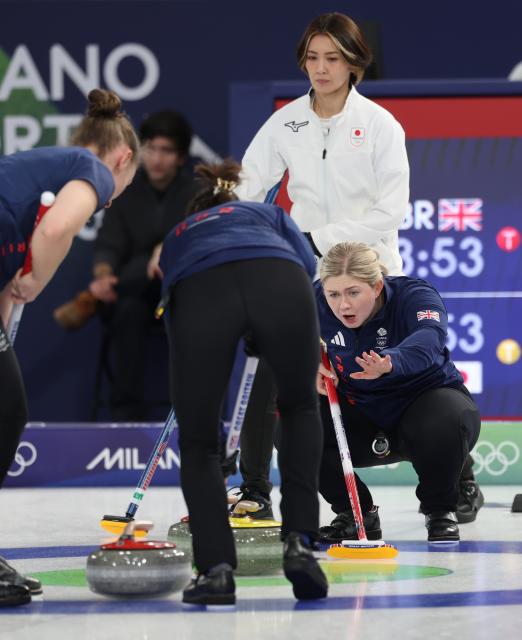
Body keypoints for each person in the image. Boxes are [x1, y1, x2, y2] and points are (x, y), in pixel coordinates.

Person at [231, 11, 410, 519]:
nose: (321, 68)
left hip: (371, 270)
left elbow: (389, 211)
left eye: (332, 58)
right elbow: (248, 182)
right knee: (274, 368)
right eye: (312, 57)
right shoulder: (286, 121)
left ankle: (454, 474)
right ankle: (255, 491)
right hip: (306, 271)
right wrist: (227, 224)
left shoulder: (379, 125)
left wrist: (317, 239)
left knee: (401, 378)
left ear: (355, 63)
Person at [157, 160, 328, 605]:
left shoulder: (179, 234)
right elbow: (307, 264)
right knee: (298, 407)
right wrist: (269, 327)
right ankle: (301, 545)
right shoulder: (269, 215)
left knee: (198, 442)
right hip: (281, 279)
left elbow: (171, 294)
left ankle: (215, 571)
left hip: (202, 287)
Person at [0, 88, 139, 606]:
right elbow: (58, 228)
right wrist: (36, 278)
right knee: (7, 412)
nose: (111, 197)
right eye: (120, 188)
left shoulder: (32, 174)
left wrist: (16, 289)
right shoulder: (91, 168)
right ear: (122, 161)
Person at [315, 242, 481, 543]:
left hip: (423, 403)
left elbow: (429, 339)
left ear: (377, 286)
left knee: (446, 418)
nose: (343, 306)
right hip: (360, 412)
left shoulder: (415, 295)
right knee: (292, 422)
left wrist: (392, 362)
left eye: (353, 292)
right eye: (334, 294)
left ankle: (440, 510)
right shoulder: (314, 300)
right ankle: (355, 513)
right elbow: (286, 338)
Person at [54, 110, 199, 421]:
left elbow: (202, 241)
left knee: (184, 302)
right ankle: (125, 414)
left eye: (166, 150)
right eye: (150, 148)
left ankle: (190, 411)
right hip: (134, 295)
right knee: (128, 309)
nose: (157, 158)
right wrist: (104, 275)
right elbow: (109, 244)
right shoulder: (127, 189)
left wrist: (167, 250)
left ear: (181, 156)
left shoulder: (195, 193)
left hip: (180, 292)